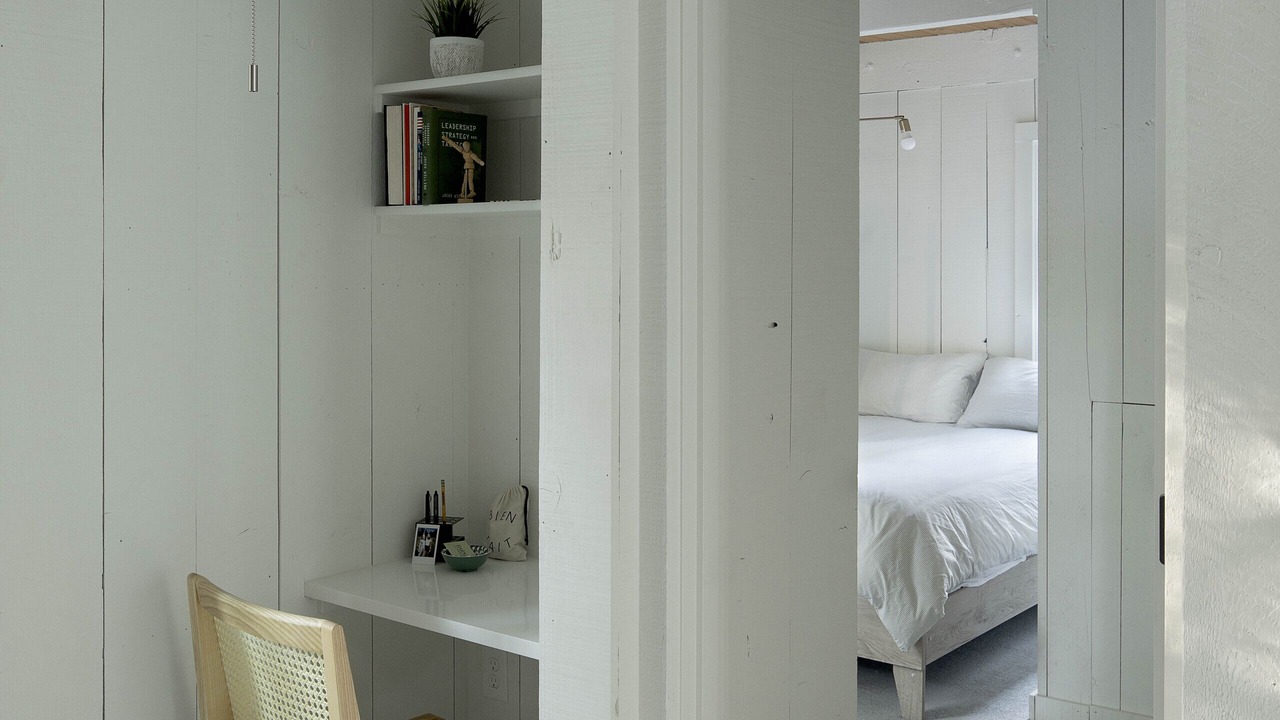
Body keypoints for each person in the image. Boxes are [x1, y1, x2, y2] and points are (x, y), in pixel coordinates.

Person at [441, 134, 484, 202]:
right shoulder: (462, 151)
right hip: (466, 166)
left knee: (470, 180)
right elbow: (455, 145)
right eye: (465, 147)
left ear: (469, 147)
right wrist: (447, 140)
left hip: (470, 166)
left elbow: (476, 158)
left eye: (467, 147)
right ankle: (462, 193)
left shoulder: (471, 154)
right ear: (463, 147)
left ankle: (472, 191)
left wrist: (480, 162)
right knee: (465, 181)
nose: (466, 148)